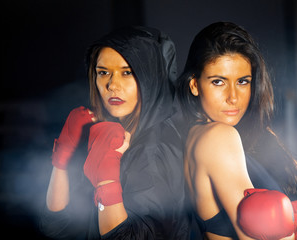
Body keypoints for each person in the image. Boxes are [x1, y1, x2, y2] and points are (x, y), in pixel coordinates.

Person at [177, 22, 297, 240]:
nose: (233, 97)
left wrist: (292, 217)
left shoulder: (254, 134)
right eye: (218, 82)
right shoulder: (217, 137)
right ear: (194, 85)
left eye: (242, 81)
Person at [40, 26, 189, 239]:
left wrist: (106, 181)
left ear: (148, 77)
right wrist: (61, 159)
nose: (112, 85)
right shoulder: (109, 136)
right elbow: (57, 227)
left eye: (126, 72)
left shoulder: (156, 149)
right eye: (103, 73)